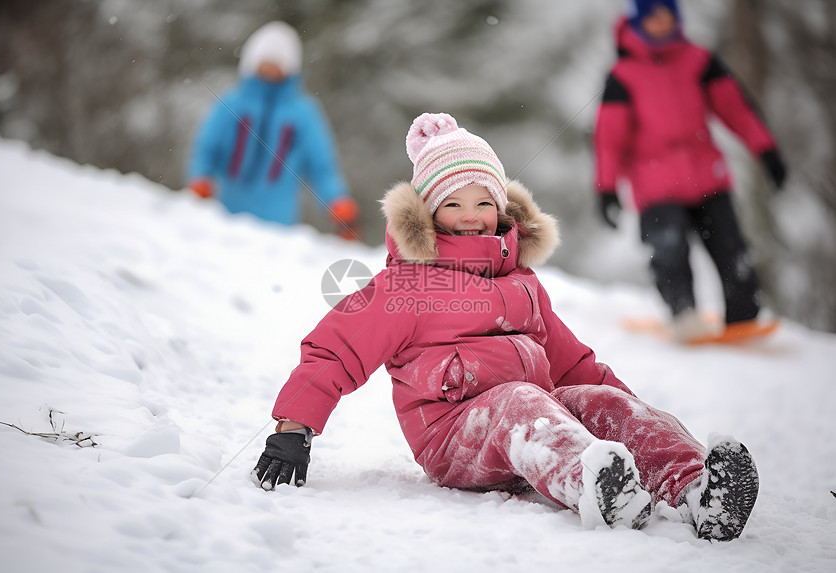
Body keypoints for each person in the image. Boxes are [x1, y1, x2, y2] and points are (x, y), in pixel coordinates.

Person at [250, 112, 760, 541]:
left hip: (536, 417)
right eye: (452, 204)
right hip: (453, 436)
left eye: (482, 203)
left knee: (596, 400)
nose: (470, 216)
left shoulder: (523, 284)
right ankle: (600, 488)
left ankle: (699, 491)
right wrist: (294, 428)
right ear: (427, 213)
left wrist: (625, 414)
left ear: (500, 209)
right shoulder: (404, 285)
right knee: (520, 401)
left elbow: (574, 363)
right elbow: (335, 349)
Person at [593, 0, 787, 342]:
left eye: (667, 15)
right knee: (668, 251)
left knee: (733, 250)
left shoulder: (699, 60)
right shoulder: (622, 76)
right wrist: (606, 188)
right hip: (656, 185)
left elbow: (737, 109)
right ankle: (684, 314)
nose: (661, 23)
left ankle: (744, 319)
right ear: (638, 21)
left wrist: (766, 149)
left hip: (707, 176)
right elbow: (609, 139)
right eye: (653, 17)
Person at [186, 21, 360, 240]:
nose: (270, 71)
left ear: (290, 68)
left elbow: (321, 166)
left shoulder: (303, 113)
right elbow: (207, 148)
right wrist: (200, 178)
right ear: (251, 63)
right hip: (224, 221)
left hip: (277, 230)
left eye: (277, 65)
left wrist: (337, 201)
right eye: (264, 64)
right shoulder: (231, 103)